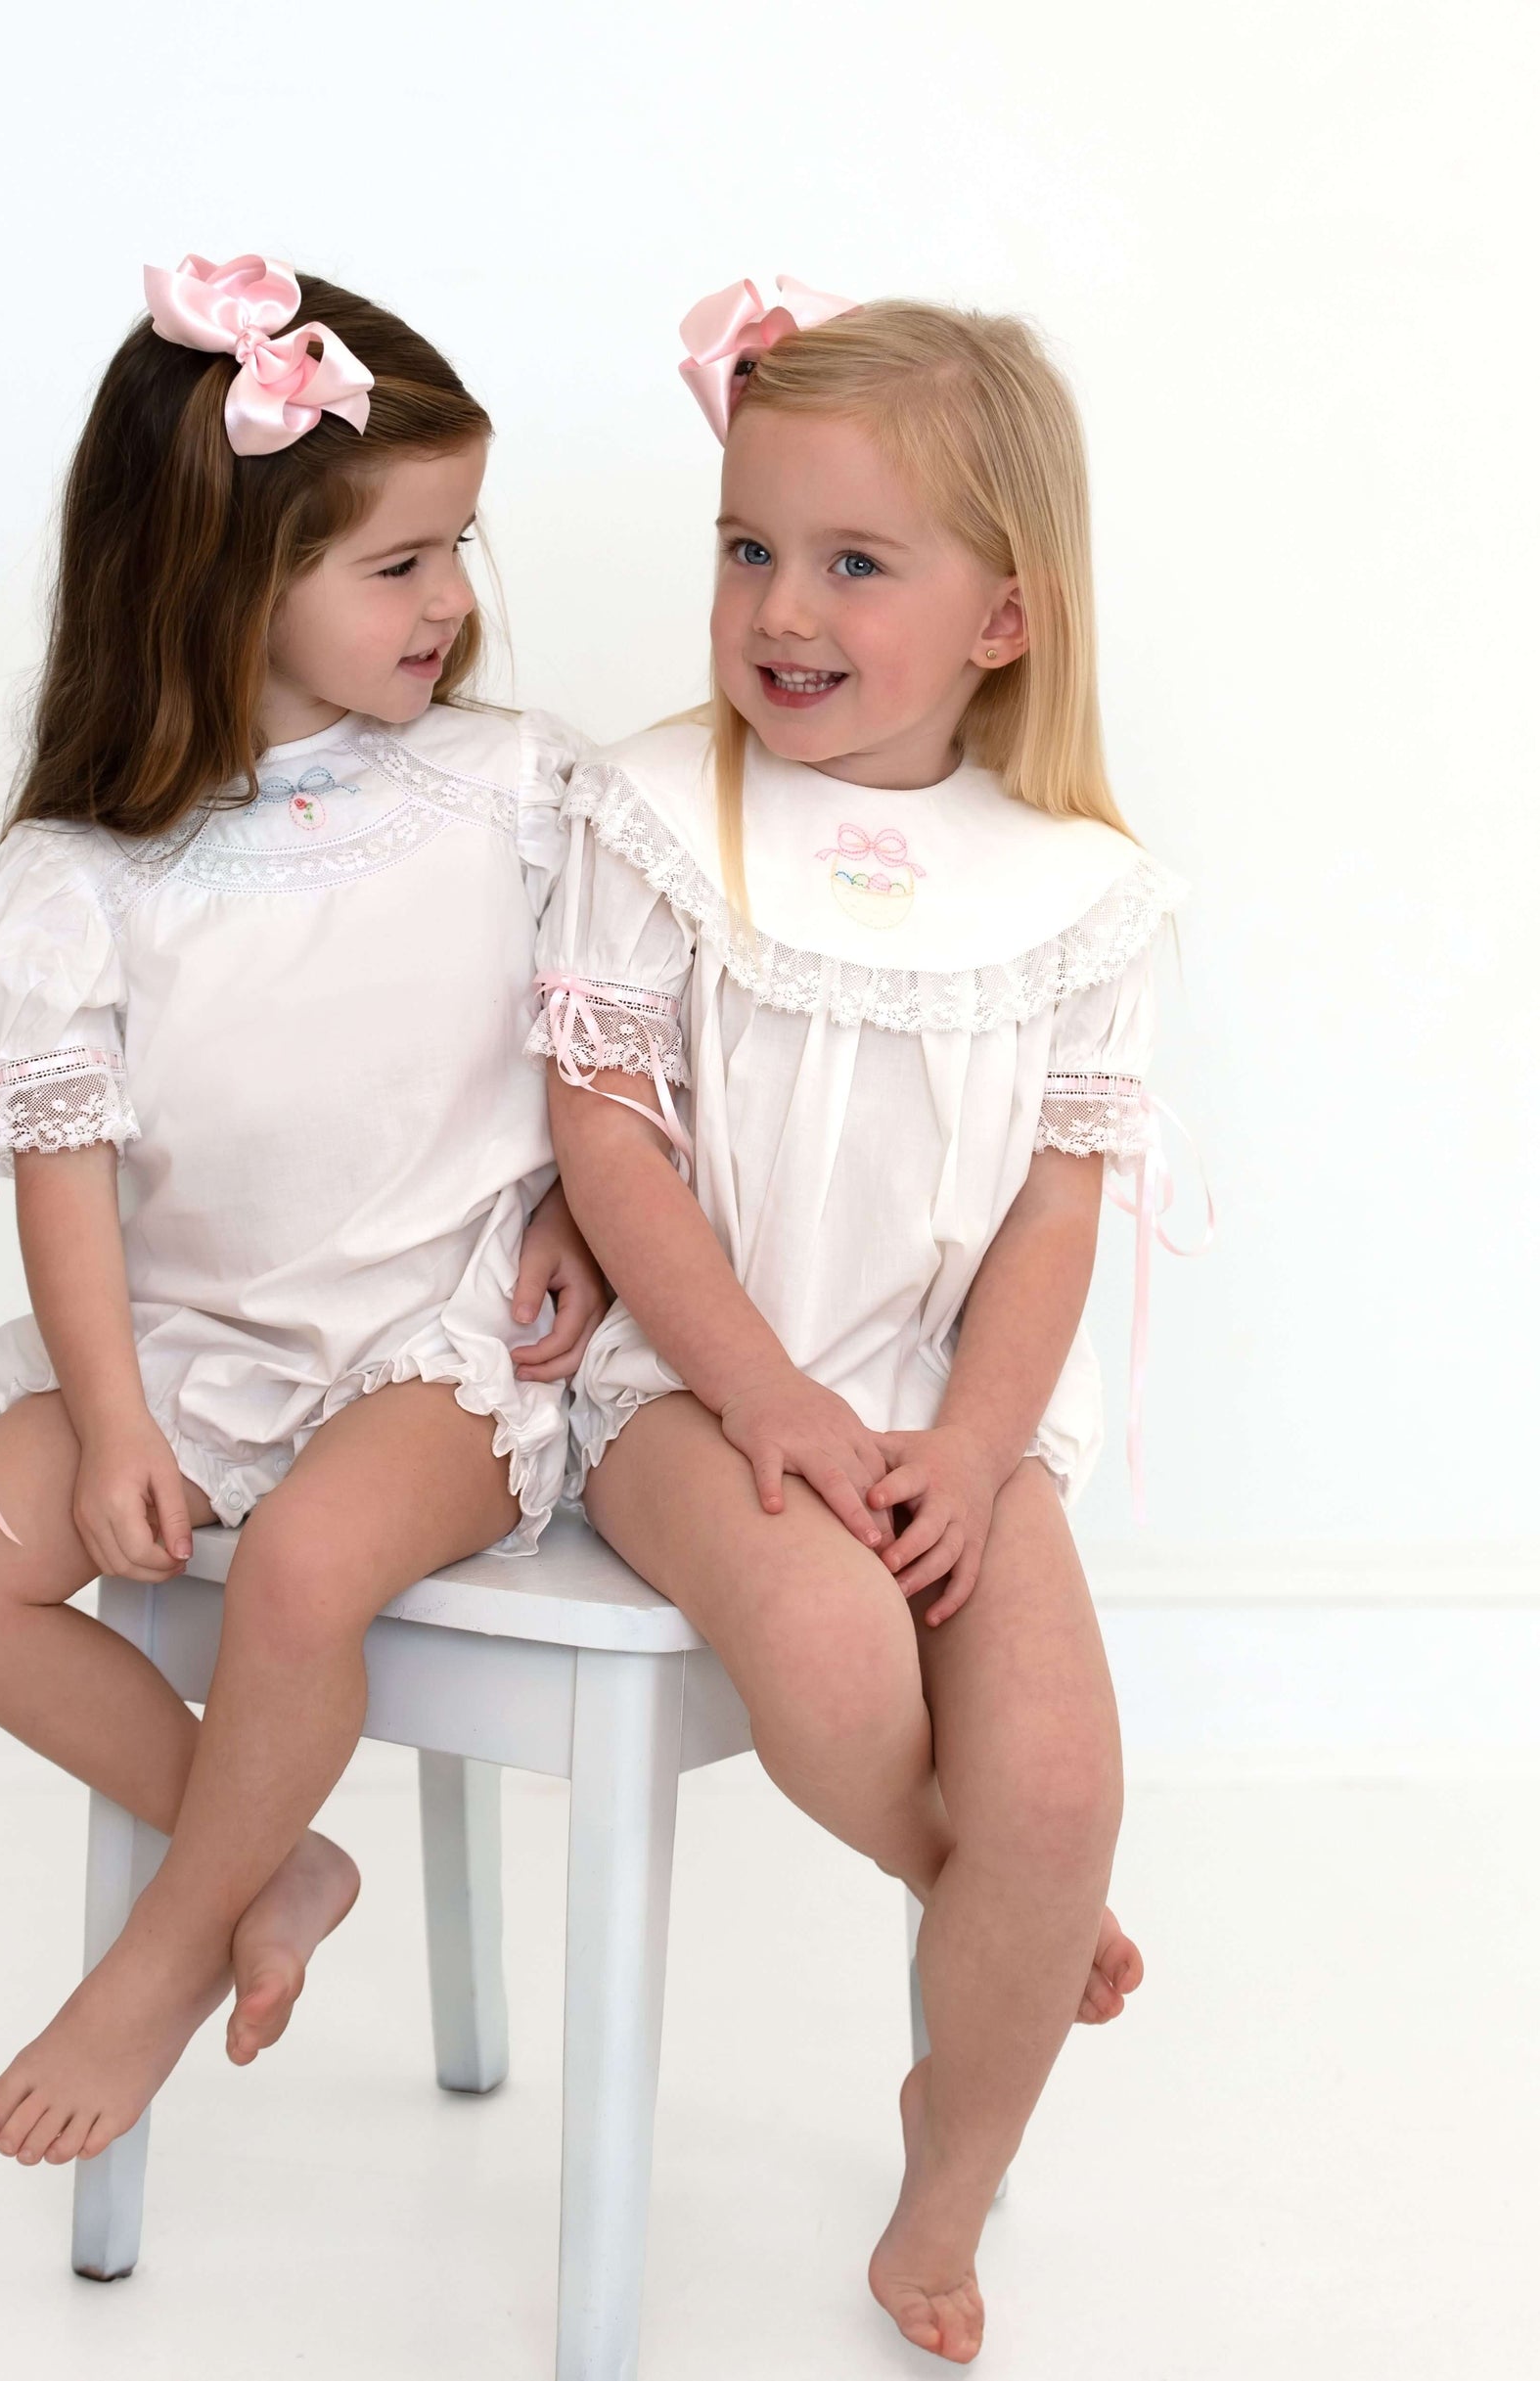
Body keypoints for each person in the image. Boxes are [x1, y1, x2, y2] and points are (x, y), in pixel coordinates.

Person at [0, 253, 605, 2171]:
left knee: (297, 1573)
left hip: (434, 1347)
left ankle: (164, 1953)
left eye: (460, 547)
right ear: (220, 579)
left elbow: (634, 1058)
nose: (452, 600)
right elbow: (67, 1172)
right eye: (396, 564)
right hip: (195, 1353)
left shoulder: (506, 791)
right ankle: (273, 1859)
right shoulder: (78, 877)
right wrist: (112, 1414)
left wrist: (591, 1232)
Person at [532, 278, 1197, 2362]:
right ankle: (989, 1903)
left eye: (849, 562)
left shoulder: (1078, 886)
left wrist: (977, 1444)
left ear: (999, 617)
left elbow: (1057, 1206)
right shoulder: (656, 809)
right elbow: (609, 1141)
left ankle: (943, 2171)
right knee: (829, 1647)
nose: (777, 606)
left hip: (939, 1402)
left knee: (1067, 1764)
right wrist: (764, 1391)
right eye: (745, 546)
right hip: (685, 1378)